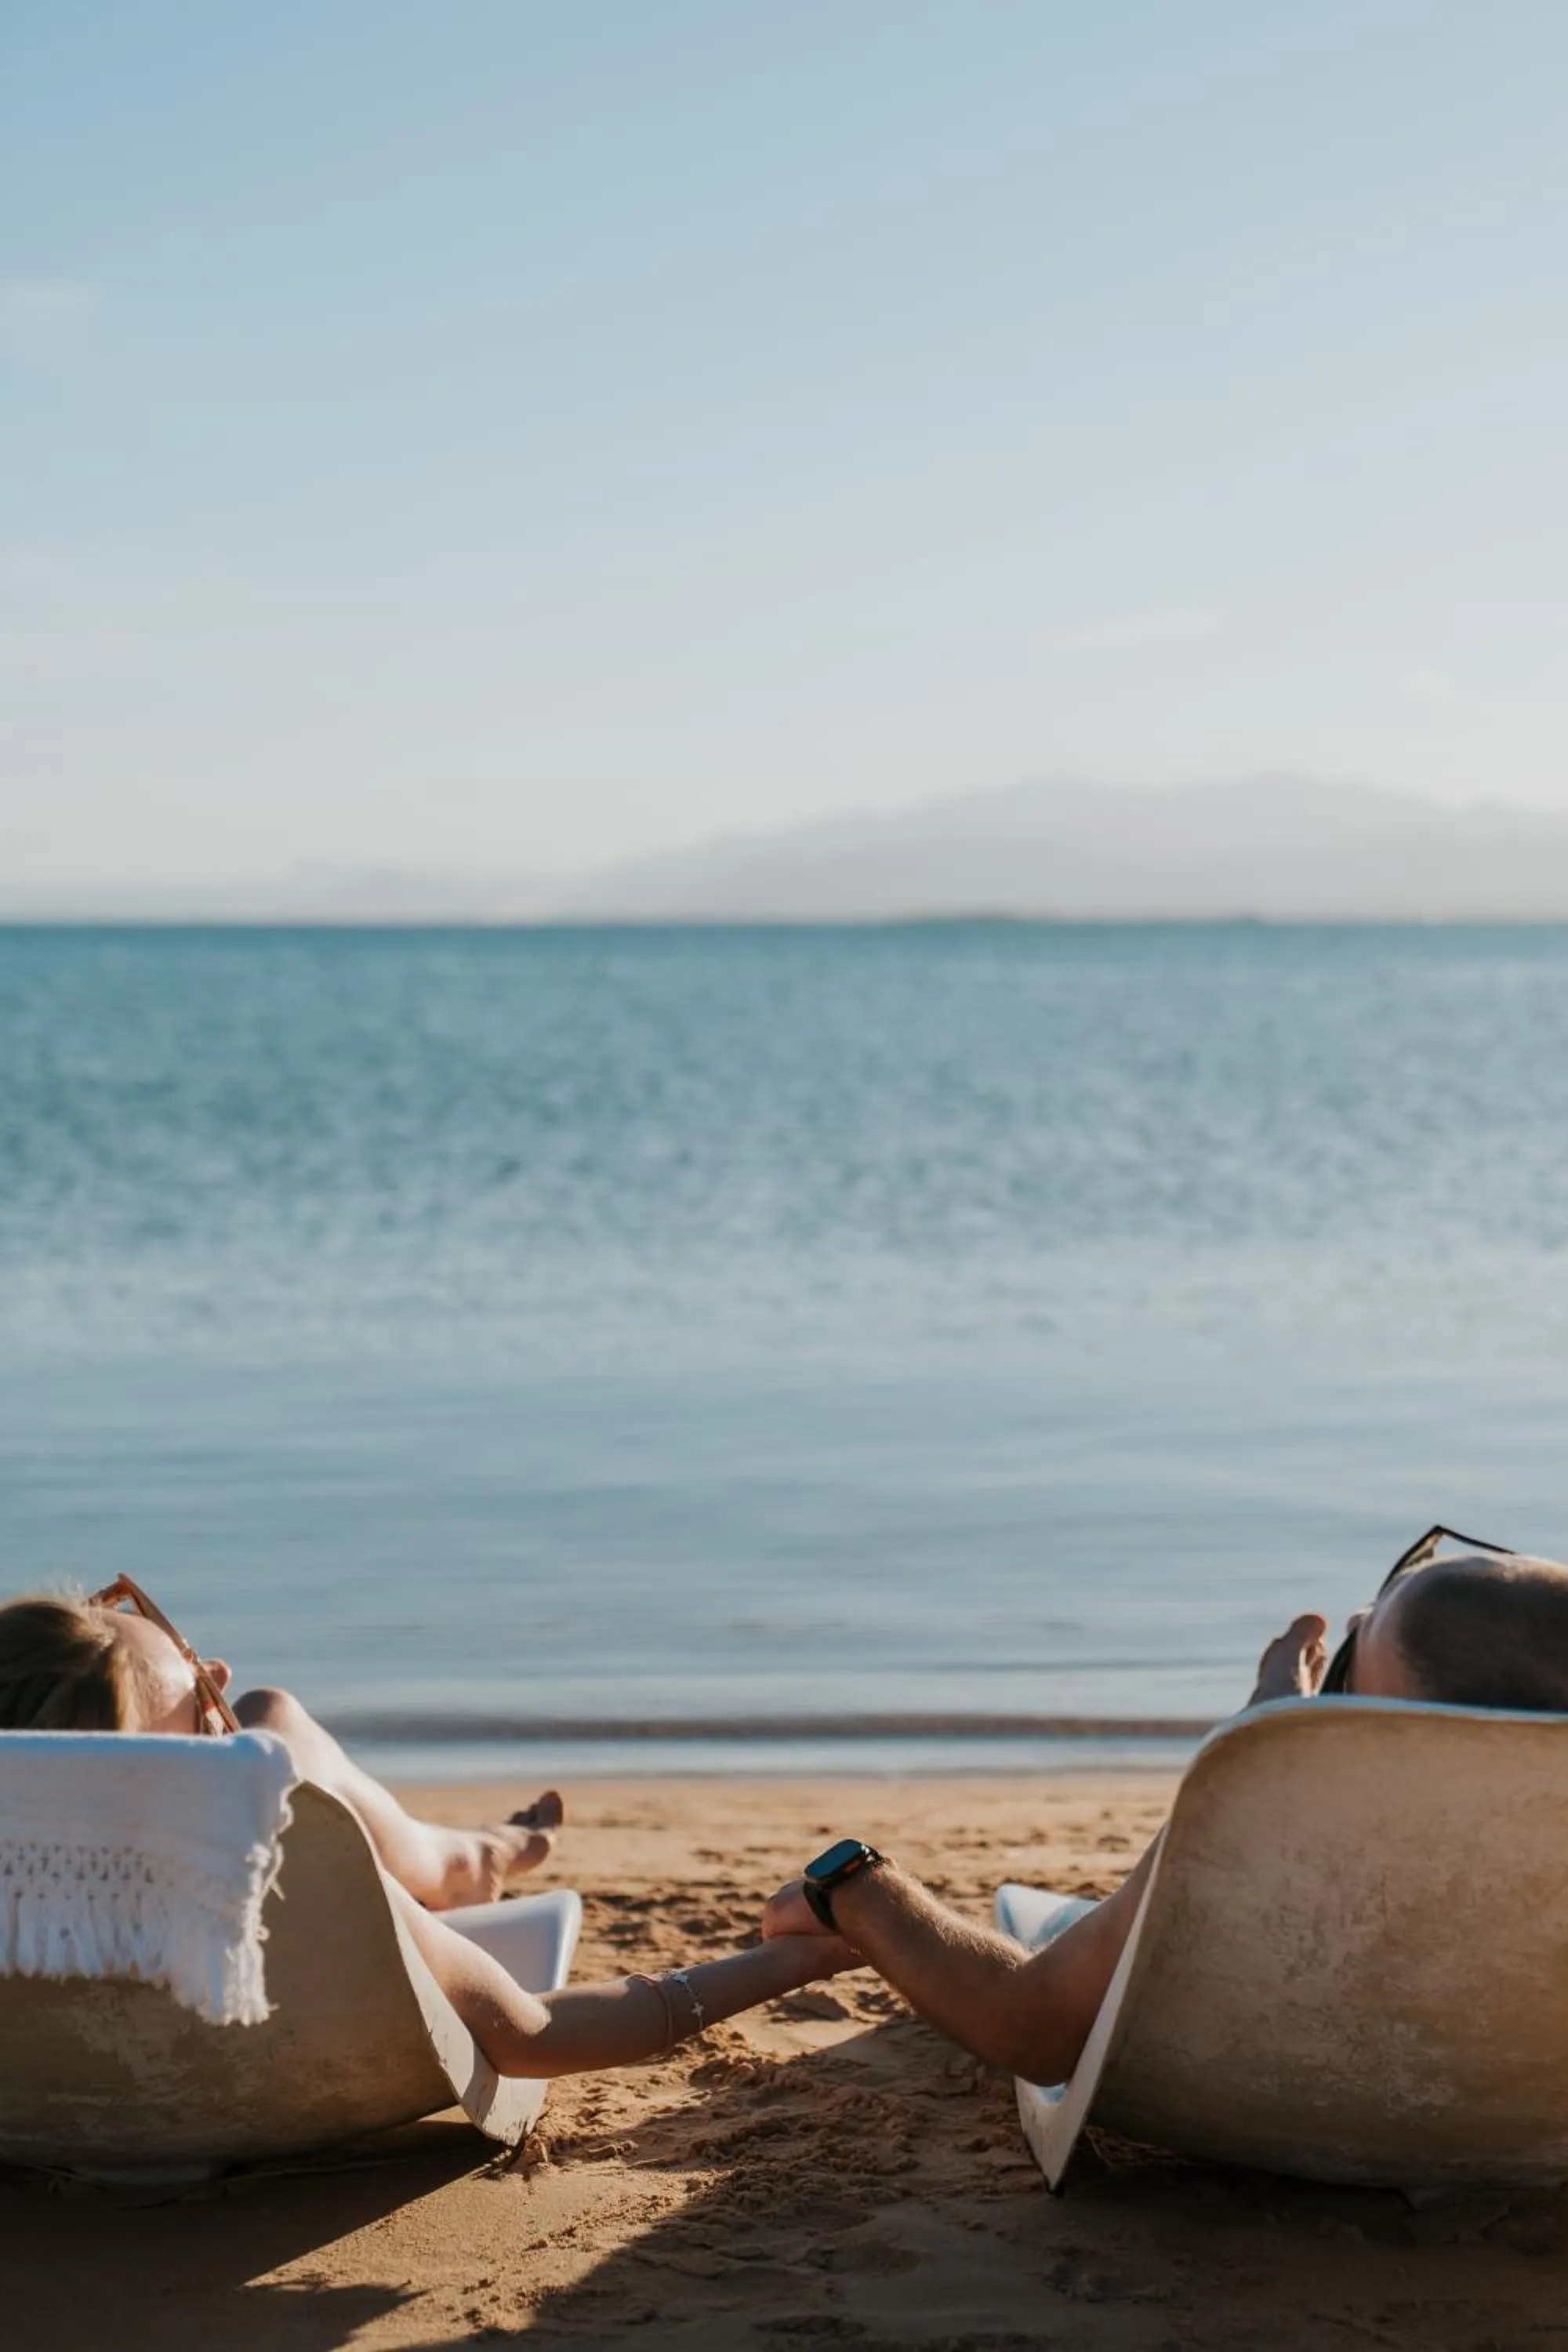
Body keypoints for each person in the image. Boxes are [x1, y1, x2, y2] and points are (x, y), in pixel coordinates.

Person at [761, 1541, 1568, 2089]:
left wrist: (858, 1887)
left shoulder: (1284, 1808)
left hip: (1275, 2115)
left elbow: (1032, 2028)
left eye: (1353, 1651)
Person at [0, 1585, 851, 2078]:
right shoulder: (282, 1854)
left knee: (262, 1712)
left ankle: (466, 1858)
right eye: (199, 1691)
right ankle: (468, 1860)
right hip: (291, 2111)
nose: (217, 1668)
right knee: (273, 1717)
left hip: (68, 2114)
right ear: (156, 1773)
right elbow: (531, 2036)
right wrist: (795, 1958)